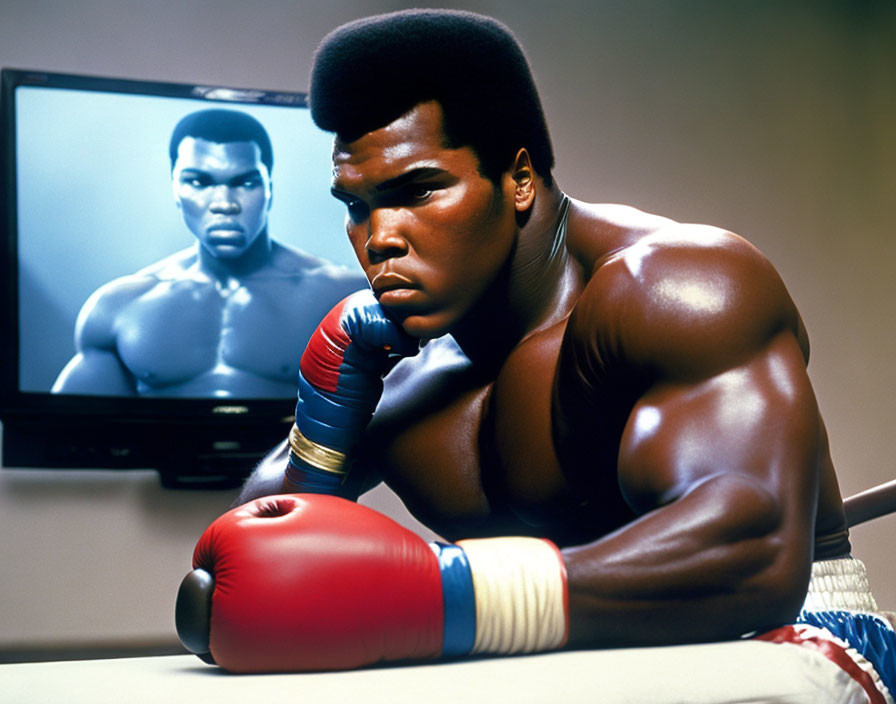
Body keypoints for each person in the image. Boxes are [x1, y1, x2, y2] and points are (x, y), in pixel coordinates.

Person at [209, 8, 893, 688]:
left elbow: (753, 553)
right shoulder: (404, 383)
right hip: (569, 657)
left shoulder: (677, 287)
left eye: (418, 190)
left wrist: (438, 597)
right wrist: (326, 414)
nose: (378, 237)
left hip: (794, 641)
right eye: (357, 206)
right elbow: (240, 575)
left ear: (519, 179)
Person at [52, 108, 365, 398]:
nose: (224, 203)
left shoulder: (343, 298)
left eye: (245, 182)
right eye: (198, 181)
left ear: (269, 187)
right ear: (175, 187)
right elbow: (60, 435)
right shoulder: (117, 309)